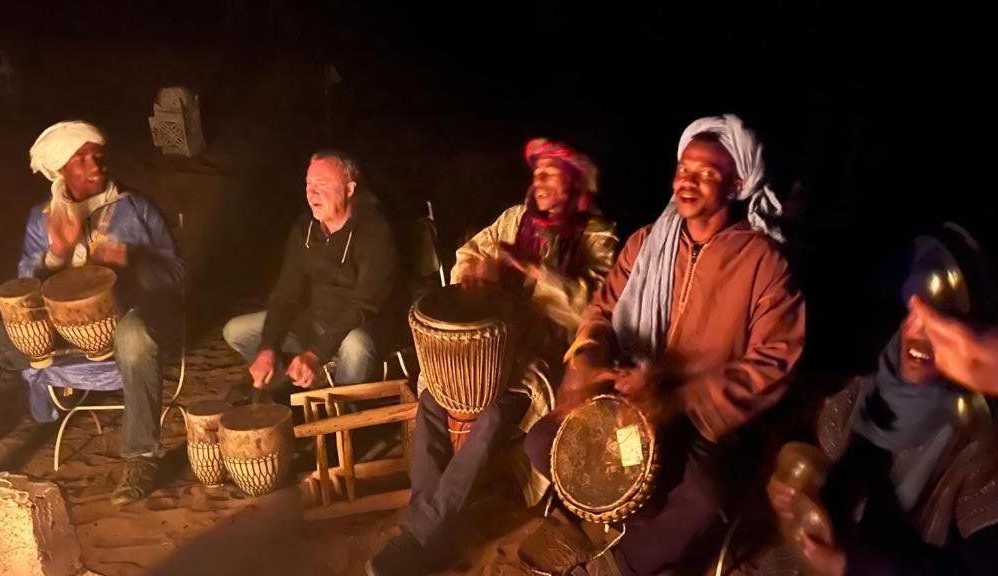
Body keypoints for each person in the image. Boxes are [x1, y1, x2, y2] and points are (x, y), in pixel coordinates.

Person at [525, 115, 806, 575]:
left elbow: (776, 360)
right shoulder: (645, 243)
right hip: (627, 395)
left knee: (702, 494)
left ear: (735, 185)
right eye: (683, 169)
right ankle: (605, 524)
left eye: (705, 174)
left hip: (703, 414)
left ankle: (621, 563)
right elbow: (603, 310)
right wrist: (591, 354)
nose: (687, 182)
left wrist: (678, 396)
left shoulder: (764, 264)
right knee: (543, 443)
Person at [367, 138, 618, 576]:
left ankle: (420, 535)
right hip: (487, 354)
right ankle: (430, 528)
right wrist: (476, 276)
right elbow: (469, 254)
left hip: (541, 360)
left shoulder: (596, 238)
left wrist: (532, 270)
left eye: (549, 174)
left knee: (491, 419)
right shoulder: (514, 220)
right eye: (535, 173)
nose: (537, 182)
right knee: (430, 402)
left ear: (574, 182)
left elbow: (593, 303)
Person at [765, 224, 998, 576]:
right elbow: (820, 454)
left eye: (941, 319)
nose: (917, 334)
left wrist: (854, 564)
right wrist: (793, 486)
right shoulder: (879, 389)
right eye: (914, 313)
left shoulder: (981, 449)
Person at [0, 121, 185, 505]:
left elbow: (177, 275)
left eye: (97, 155)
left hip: (128, 321)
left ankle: (141, 458)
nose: (94, 164)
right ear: (61, 171)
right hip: (61, 331)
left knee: (134, 336)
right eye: (81, 158)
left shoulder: (135, 209)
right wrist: (57, 253)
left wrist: (131, 260)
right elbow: (26, 284)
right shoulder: (44, 218)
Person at [222, 151, 398, 393]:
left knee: (357, 346)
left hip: (358, 327)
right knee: (237, 330)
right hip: (315, 320)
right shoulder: (304, 229)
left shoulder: (374, 231)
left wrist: (316, 353)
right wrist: (267, 348)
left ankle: (346, 412)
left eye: (322, 184)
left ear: (349, 189)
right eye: (308, 184)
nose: (311, 192)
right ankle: (295, 383)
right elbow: (286, 293)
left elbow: (365, 305)